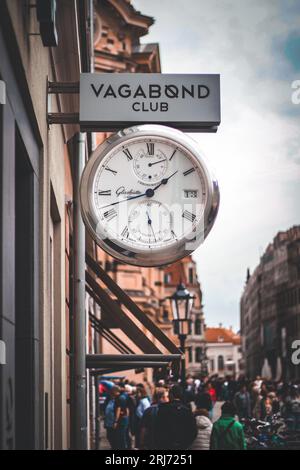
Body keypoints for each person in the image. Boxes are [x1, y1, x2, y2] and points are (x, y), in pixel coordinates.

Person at [153, 384, 198, 450]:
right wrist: (185, 444)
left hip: (165, 445)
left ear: (171, 395)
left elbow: (157, 428)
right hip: (182, 445)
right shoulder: (187, 410)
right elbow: (193, 431)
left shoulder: (163, 409)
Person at [104, 385, 129, 450]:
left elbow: (118, 409)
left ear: (115, 391)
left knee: (120, 437)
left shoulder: (119, 398)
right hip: (119, 420)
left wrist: (116, 421)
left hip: (120, 421)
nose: (112, 394)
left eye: (112, 392)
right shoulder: (120, 398)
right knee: (119, 437)